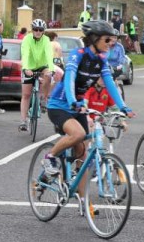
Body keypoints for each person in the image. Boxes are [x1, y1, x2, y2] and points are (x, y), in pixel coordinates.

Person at [42, 20, 134, 202]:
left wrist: (123, 107)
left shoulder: (101, 60)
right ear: (94, 39)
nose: (111, 43)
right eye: (107, 40)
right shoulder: (78, 55)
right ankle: (50, 157)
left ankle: (84, 201)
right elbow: (69, 80)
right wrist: (72, 101)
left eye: (112, 40)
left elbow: (110, 84)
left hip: (78, 108)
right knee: (78, 134)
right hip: (60, 105)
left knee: (84, 156)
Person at [19, 19, 55, 131]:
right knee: (26, 95)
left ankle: (44, 99)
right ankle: (23, 121)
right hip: (28, 66)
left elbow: (49, 55)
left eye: (40, 30)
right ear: (32, 30)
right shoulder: (27, 39)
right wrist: (25, 68)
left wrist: (52, 69)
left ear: (43, 31)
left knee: (48, 75)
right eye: (35, 29)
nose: (38, 32)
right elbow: (25, 54)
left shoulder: (46, 40)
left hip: (42, 65)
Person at [107, 29, 127, 96]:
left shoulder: (119, 47)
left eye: (115, 37)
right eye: (112, 37)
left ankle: (117, 93)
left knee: (112, 78)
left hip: (116, 68)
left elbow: (122, 57)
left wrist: (120, 64)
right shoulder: (105, 45)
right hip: (106, 68)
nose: (113, 39)